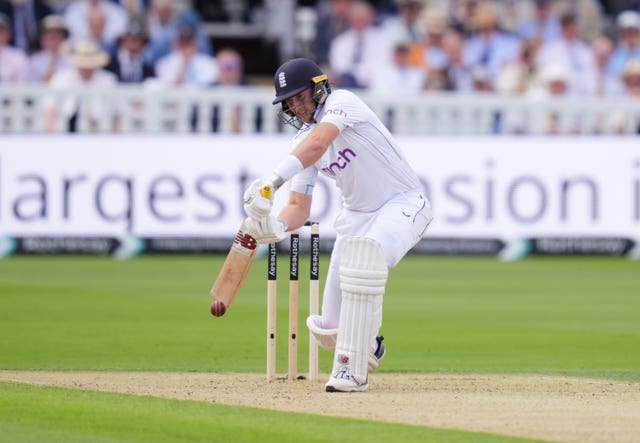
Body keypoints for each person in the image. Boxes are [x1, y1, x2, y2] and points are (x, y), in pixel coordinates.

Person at [241, 58, 433, 392]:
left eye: (301, 97)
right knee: (329, 328)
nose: (297, 108)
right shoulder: (299, 143)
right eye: (290, 102)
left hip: (402, 203)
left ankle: (351, 372)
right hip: (354, 220)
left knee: (367, 260)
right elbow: (299, 208)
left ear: (319, 88)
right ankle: (368, 346)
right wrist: (273, 228)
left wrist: (271, 182)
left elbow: (318, 144)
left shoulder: (343, 103)